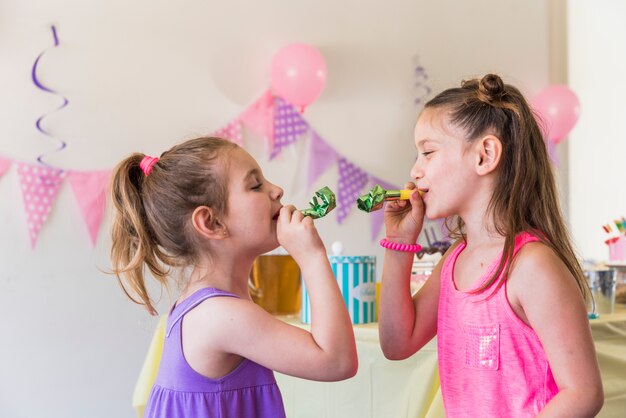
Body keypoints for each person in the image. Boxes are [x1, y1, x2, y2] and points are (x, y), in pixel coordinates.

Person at [378, 74, 603, 417]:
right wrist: (398, 245)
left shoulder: (532, 266)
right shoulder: (455, 261)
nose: (415, 171)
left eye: (428, 152)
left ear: (485, 155)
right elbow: (396, 345)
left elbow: (583, 393)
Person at [109, 137, 358, 418]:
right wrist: (311, 256)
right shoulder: (220, 315)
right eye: (255, 185)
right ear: (212, 223)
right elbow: (338, 362)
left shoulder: (208, 304)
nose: (277, 190)